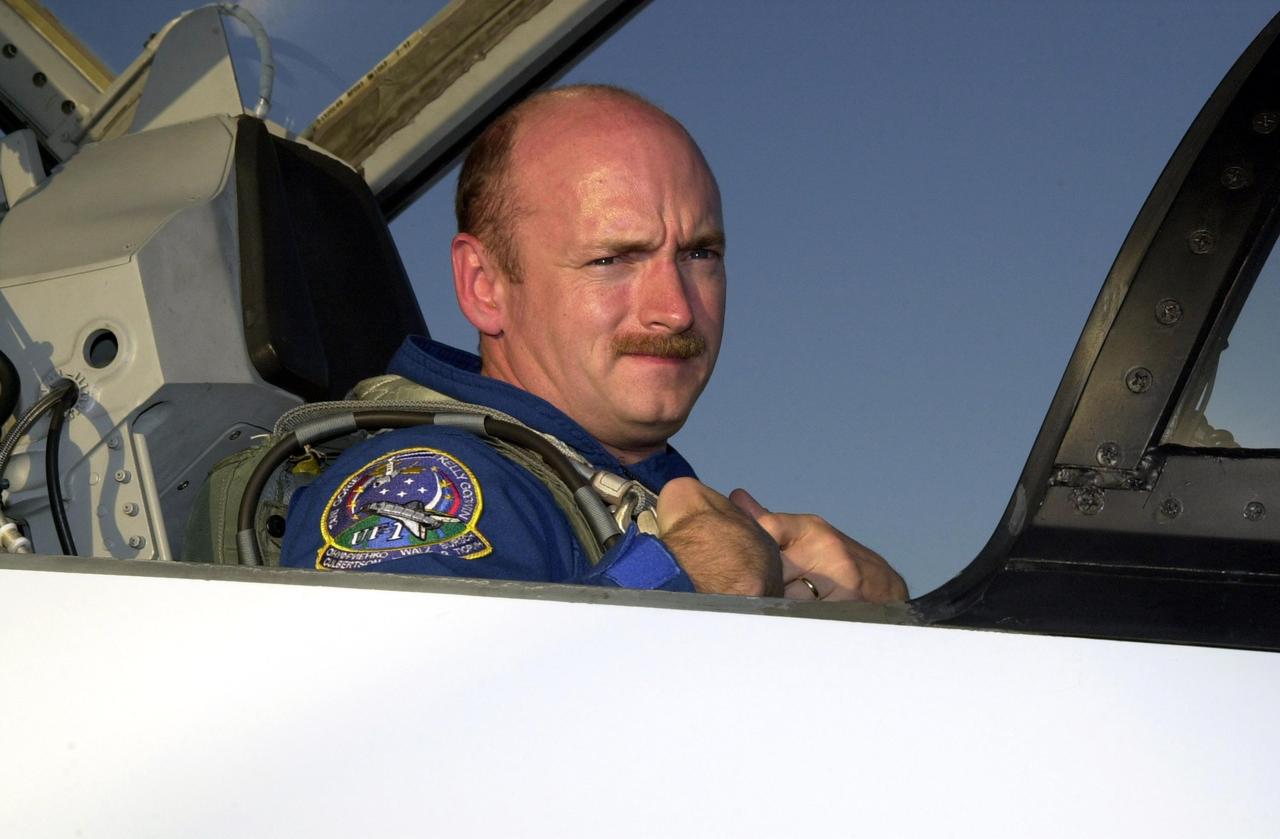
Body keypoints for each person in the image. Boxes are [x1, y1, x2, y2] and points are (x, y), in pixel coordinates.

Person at [279, 85, 906, 603]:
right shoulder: (430, 482)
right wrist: (703, 572)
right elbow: (404, 725)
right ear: (485, 285)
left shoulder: (625, 494)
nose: (675, 309)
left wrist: (885, 619)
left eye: (699, 254)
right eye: (612, 259)